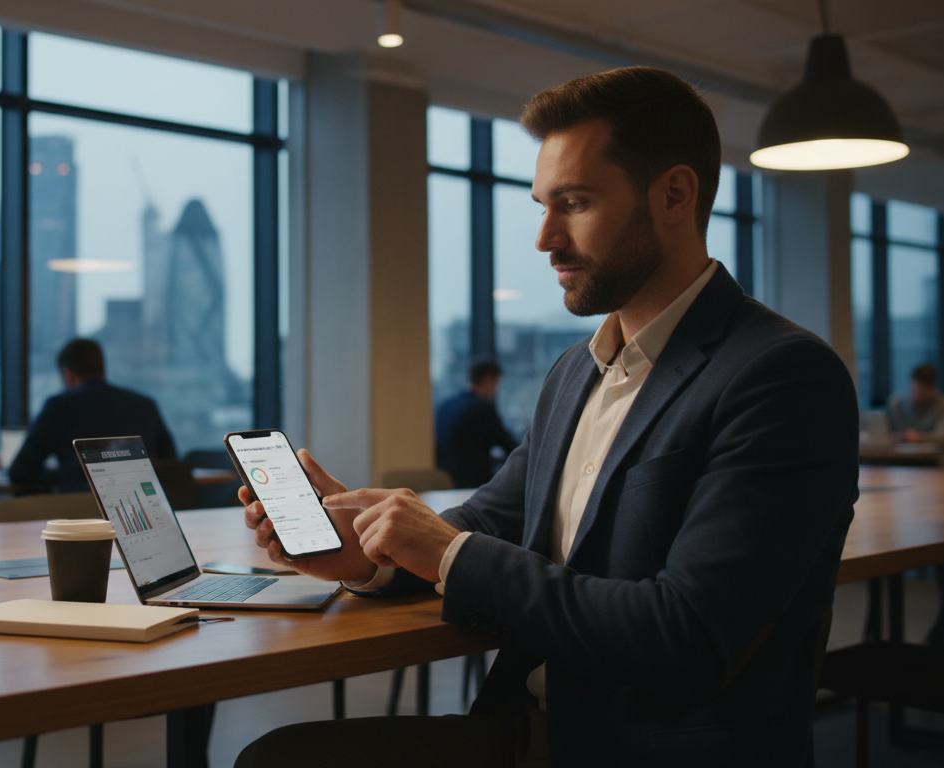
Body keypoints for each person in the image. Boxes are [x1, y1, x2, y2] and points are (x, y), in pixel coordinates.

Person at [236, 67, 858, 767]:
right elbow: (495, 526)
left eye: (575, 202)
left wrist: (442, 550)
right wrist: (372, 555)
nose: (544, 237)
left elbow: (688, 637)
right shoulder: (575, 371)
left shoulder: (782, 376)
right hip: (540, 724)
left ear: (675, 195)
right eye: (542, 204)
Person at [9, 339, 176, 492]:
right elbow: (170, 463)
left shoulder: (60, 406)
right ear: (101, 368)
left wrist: (65, 475)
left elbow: (20, 471)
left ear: (67, 374)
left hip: (83, 512)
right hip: (142, 508)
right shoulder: (145, 404)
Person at [436, 359, 519, 488]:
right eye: (496, 382)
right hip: (473, 484)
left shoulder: (445, 405)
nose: (496, 389)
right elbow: (510, 446)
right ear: (487, 379)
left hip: (444, 482)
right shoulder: (482, 408)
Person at [887, 363, 944, 445]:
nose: (917, 396)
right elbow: (885, 434)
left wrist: (919, 437)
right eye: (914, 391)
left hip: (933, 456)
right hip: (897, 455)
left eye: (922, 393)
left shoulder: (943, 404)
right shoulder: (896, 405)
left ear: (933, 389)